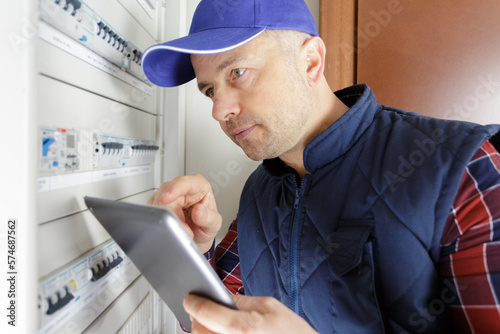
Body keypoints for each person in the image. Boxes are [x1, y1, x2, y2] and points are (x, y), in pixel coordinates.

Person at [142, 0, 500, 333]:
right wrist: (195, 246)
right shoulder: (258, 191)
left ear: (311, 61)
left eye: (237, 71)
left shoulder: (464, 167)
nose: (219, 111)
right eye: (209, 91)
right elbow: (218, 318)